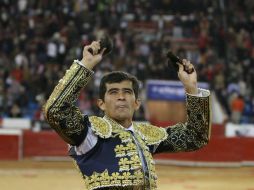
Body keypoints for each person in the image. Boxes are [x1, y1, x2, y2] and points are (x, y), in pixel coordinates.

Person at [43, 41, 211, 190]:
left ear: (137, 103)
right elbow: (56, 110)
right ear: (101, 103)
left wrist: (191, 88)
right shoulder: (89, 132)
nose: (121, 97)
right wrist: (86, 64)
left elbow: (196, 137)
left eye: (127, 92)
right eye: (113, 92)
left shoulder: (146, 135)